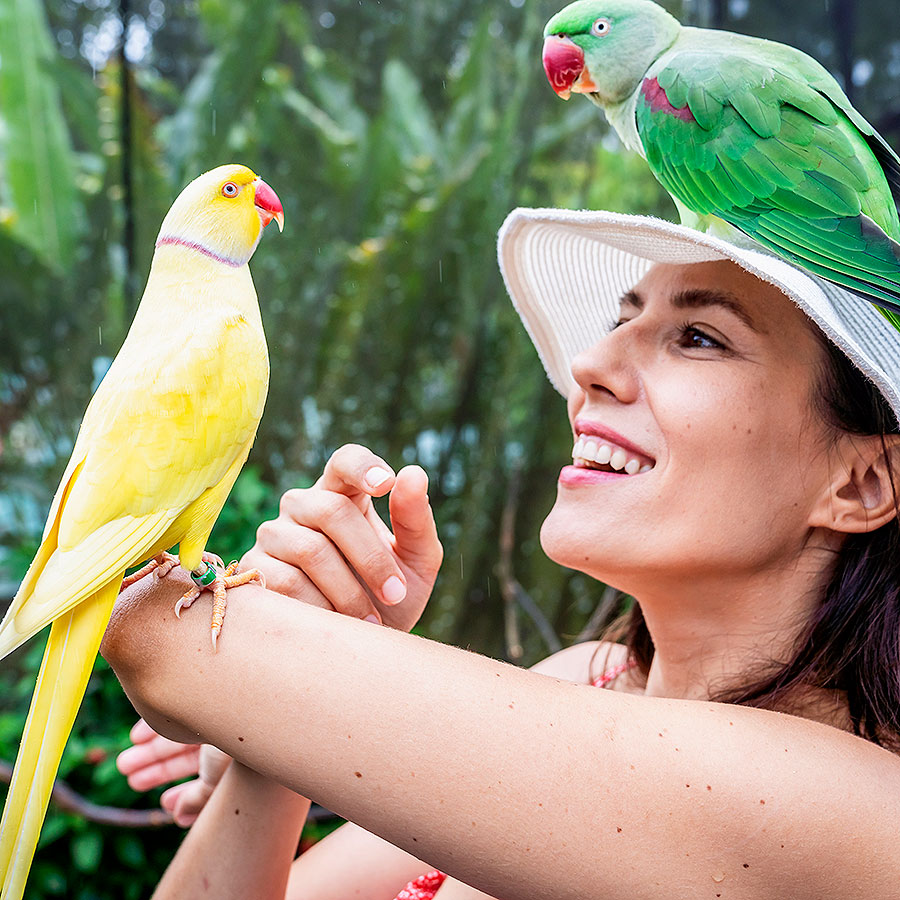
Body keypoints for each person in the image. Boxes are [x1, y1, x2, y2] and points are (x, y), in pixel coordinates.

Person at [101, 208, 900, 900]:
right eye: (623, 319)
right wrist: (269, 765)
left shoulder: (860, 813)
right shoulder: (583, 678)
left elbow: (155, 641)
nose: (590, 365)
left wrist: (268, 681)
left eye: (698, 338)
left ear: (863, 482)